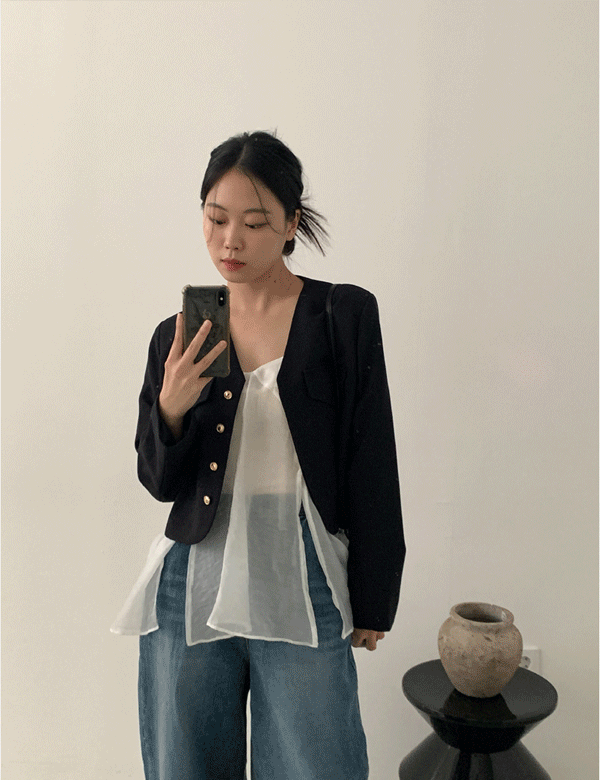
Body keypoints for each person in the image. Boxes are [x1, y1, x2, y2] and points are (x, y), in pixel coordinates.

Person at [111, 130, 405, 780]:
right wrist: (171, 409)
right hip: (192, 576)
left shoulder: (342, 315)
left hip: (302, 572)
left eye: (254, 222)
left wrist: (374, 596)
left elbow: (372, 460)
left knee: (317, 764)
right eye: (216, 219)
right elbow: (159, 481)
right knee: (184, 764)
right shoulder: (179, 334)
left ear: (292, 223)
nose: (230, 242)